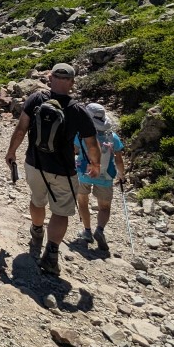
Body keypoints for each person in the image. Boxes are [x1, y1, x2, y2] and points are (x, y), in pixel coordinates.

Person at [5, 62, 101, 277]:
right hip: (63, 170)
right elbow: (91, 143)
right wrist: (95, 164)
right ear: (72, 82)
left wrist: (11, 152)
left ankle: (37, 230)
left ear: (50, 78)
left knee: (37, 200)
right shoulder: (78, 110)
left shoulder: (36, 99)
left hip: (34, 163)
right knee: (60, 212)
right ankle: (51, 254)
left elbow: (21, 129)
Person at [74, 103, 125, 252]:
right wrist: (122, 175)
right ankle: (100, 230)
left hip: (84, 173)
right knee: (104, 207)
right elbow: (119, 160)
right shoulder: (113, 137)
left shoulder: (81, 134)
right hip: (105, 176)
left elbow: (74, 151)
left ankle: (87, 231)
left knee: (83, 202)